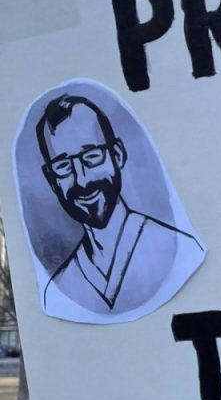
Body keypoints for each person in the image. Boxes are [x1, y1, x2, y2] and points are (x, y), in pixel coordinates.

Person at [36, 94, 204, 316]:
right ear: (51, 180)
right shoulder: (60, 290)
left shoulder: (180, 250)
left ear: (117, 154)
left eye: (91, 156)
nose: (82, 179)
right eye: (64, 166)